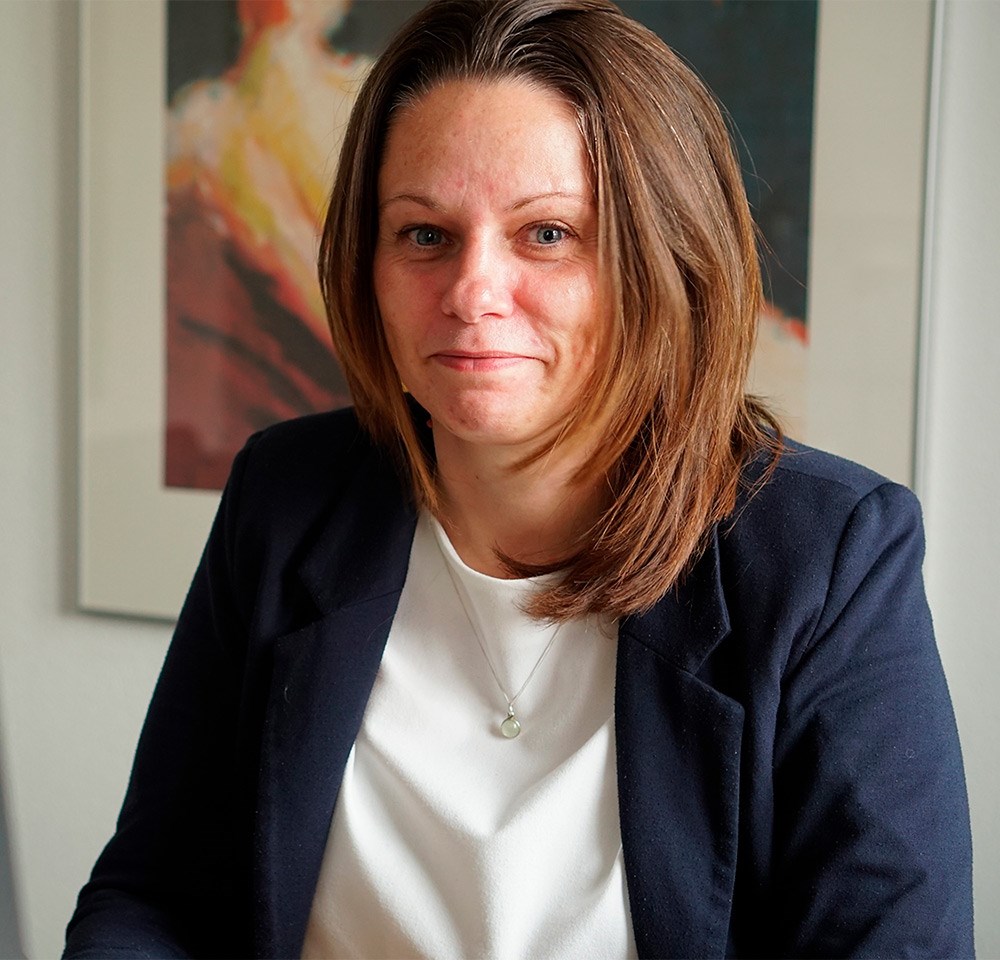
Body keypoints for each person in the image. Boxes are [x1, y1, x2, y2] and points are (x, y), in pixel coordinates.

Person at [64, 1, 974, 957]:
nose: (471, 292)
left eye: (547, 233)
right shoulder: (285, 497)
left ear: (666, 259)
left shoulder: (829, 559)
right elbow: (156, 896)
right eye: (424, 234)